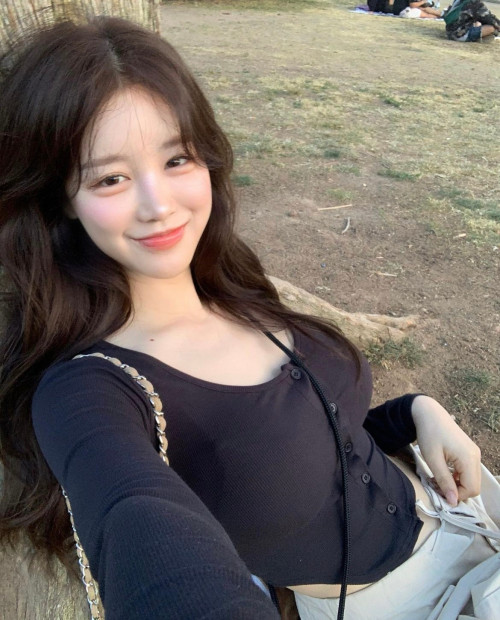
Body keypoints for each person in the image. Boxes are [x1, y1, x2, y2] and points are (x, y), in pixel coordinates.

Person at [0, 15, 498, 620]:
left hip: (463, 514)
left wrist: (418, 412)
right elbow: (136, 524)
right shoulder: (90, 392)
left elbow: (328, 434)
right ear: (62, 201)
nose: (160, 206)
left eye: (177, 159)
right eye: (110, 178)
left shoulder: (234, 287)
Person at [369, 0, 442, 18]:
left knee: (425, 9)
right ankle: (440, 15)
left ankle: (440, 15)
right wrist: (423, 1)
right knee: (426, 13)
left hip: (401, 10)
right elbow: (412, 5)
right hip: (404, 11)